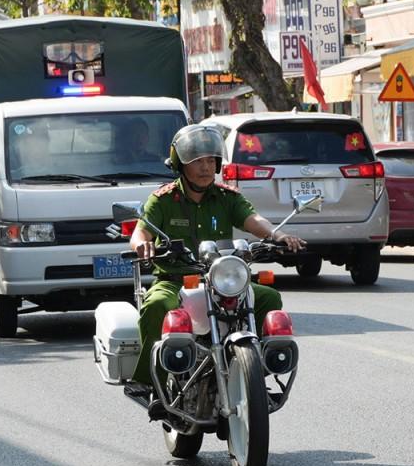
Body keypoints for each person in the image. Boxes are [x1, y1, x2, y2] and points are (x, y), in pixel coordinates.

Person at [128, 124, 305, 394]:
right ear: (180, 164)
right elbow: (141, 232)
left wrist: (276, 235)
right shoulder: (163, 200)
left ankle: (256, 374)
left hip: (221, 281)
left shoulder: (227, 197)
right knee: (156, 305)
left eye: (210, 160)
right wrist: (143, 245)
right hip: (177, 281)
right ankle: (151, 382)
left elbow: (252, 219)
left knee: (268, 297)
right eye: (197, 161)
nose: (205, 168)